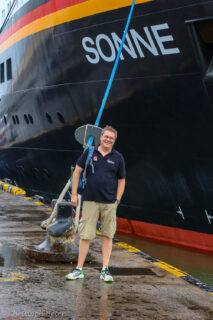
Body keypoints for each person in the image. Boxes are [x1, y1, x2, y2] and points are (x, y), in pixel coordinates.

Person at [65, 125, 126, 282]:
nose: (108, 140)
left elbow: (122, 180)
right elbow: (77, 172)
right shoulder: (90, 152)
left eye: (111, 138)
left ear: (114, 140)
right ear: (101, 137)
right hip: (90, 200)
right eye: (106, 136)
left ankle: (105, 269)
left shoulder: (118, 157)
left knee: (108, 235)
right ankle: (79, 269)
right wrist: (73, 195)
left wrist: (117, 199)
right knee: (85, 235)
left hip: (109, 202)